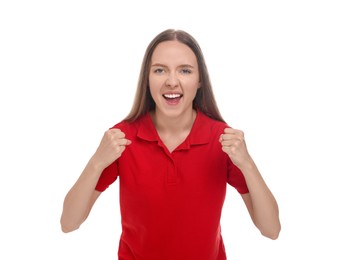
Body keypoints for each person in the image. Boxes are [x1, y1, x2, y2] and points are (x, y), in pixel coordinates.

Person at [60, 29, 281, 259]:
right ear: (147, 79)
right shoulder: (123, 138)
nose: (172, 82)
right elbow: (69, 223)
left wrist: (247, 163)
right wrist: (96, 162)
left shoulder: (222, 139)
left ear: (199, 81)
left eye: (184, 71)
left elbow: (271, 229)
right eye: (159, 70)